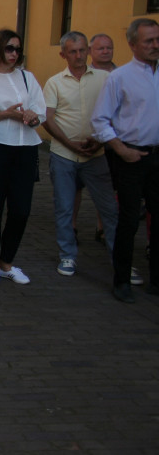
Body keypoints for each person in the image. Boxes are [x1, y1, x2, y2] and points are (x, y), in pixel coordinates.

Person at [91, 17, 159, 303]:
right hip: (131, 155)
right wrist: (121, 149)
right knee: (129, 220)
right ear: (132, 45)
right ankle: (122, 280)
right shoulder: (120, 78)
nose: (155, 45)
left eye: (157, 39)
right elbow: (100, 120)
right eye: (149, 41)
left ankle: (156, 280)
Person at [41, 31, 118, 278]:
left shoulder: (106, 79)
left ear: (88, 51)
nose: (78, 55)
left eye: (82, 50)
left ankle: (121, 260)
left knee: (108, 208)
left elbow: (116, 112)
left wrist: (99, 140)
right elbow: (48, 118)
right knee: (64, 207)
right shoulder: (55, 82)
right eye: (72, 51)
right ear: (63, 54)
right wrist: (69, 143)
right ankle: (67, 255)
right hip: (64, 154)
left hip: (97, 154)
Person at [0, 30, 46, 286]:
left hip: (25, 146)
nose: (14, 54)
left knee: (21, 210)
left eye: (17, 49)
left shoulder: (27, 77)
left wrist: (33, 117)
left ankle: (8, 261)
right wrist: (6, 114)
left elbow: (40, 108)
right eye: (9, 49)